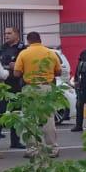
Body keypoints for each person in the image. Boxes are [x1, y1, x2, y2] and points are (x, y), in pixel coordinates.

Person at [12, 31, 63, 160]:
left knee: (29, 119)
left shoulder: (23, 53)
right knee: (48, 119)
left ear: (28, 41)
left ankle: (32, 149)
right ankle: (52, 149)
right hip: (47, 87)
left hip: (30, 88)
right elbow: (58, 71)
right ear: (40, 40)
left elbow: (17, 73)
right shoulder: (50, 53)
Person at [0, 28, 25, 150]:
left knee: (16, 114)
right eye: (5, 33)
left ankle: (15, 141)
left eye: (9, 33)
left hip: (16, 84)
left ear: (17, 35)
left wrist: (16, 65)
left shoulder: (22, 48)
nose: (6, 35)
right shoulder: (2, 48)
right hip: (3, 84)